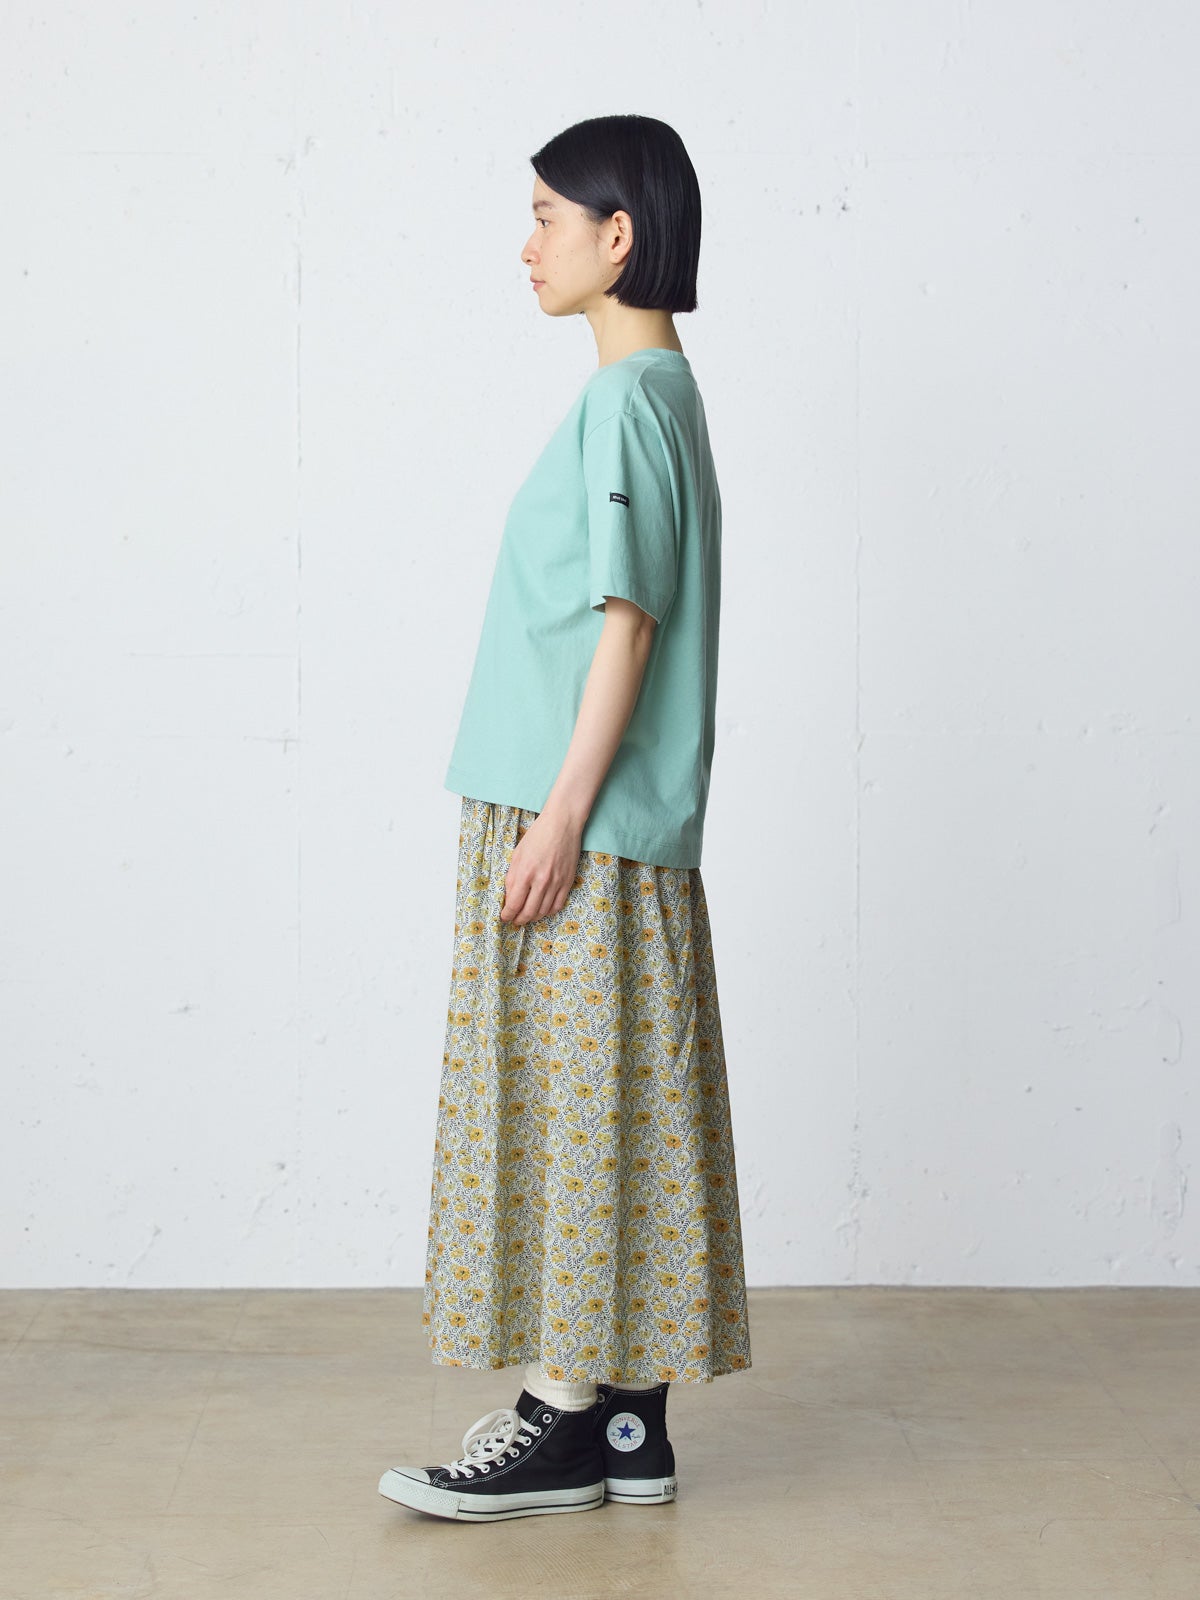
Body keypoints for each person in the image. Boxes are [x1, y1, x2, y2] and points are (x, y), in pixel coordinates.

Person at [379, 113, 751, 1524]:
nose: (526, 244)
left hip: (575, 821)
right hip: (599, 820)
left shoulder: (627, 402)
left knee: (564, 1118)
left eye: (547, 216)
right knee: (616, 1110)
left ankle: (559, 1420)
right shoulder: (660, 396)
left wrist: (560, 818)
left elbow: (627, 620)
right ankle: (627, 1426)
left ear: (620, 235)